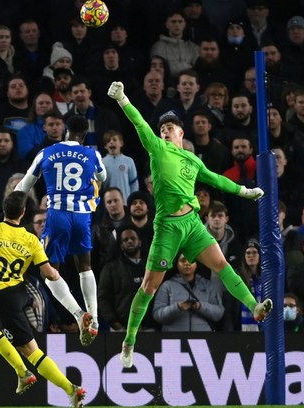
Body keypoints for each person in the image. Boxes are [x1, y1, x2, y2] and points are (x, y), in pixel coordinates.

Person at [107, 81, 272, 367]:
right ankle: (129, 341)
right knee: (148, 287)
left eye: (170, 128)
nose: (165, 131)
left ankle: (254, 307)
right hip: (168, 228)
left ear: (181, 133)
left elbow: (216, 179)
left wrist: (244, 192)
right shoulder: (157, 148)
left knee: (222, 266)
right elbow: (138, 123)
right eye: (162, 129)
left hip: (193, 224)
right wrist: (123, 98)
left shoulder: (192, 160)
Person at [0, 191, 86, 405]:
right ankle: (22, 374)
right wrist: (57, 275)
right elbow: (49, 273)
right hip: (18, 292)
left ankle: (70, 388)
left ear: (4, 210)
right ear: (23, 213)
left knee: (31, 352)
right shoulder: (31, 239)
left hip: (3, 299)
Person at [15, 115, 107, 346]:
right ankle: (93, 319)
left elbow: (23, 186)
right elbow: (102, 177)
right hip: (82, 215)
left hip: (56, 214)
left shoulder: (46, 153)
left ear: (65, 129)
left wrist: (10, 211)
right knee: (84, 266)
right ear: (85, 134)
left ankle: (78, 315)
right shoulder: (92, 154)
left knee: (49, 272)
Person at [153, 253, 224, 331]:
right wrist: (177, 308)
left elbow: (218, 313)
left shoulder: (207, 285)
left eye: (191, 260)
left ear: (196, 264)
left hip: (202, 338)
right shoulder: (167, 286)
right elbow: (157, 315)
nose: (187, 263)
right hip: (173, 338)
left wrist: (200, 306)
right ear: (176, 264)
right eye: (183, 261)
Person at [101, 129, 138, 200]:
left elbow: (134, 183)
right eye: (108, 141)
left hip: (126, 200)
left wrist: (133, 199)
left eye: (114, 140)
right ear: (105, 146)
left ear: (121, 143)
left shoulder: (129, 161)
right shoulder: (101, 162)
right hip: (109, 202)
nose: (111, 142)